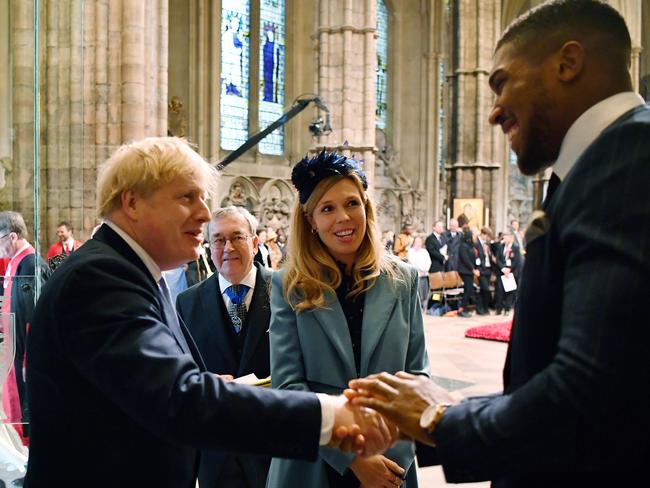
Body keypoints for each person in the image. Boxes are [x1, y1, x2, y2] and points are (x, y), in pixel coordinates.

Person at [348, 1, 650, 487]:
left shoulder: (629, 157)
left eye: (502, 82)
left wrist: (440, 422)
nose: (491, 112)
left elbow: (589, 393)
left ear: (567, 63)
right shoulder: (604, 163)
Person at [24, 137, 397, 488]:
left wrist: (213, 386)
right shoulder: (100, 277)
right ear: (132, 202)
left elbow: (149, 385)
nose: (205, 214)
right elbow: (180, 400)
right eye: (188, 197)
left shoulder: (129, 271)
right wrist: (328, 417)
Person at [266, 151, 430, 488]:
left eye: (352, 203)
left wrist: (390, 462)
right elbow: (289, 389)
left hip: (391, 461)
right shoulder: (289, 286)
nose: (344, 217)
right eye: (327, 208)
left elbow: (417, 378)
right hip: (315, 463)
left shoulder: (403, 280)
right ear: (310, 221)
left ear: (366, 209)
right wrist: (355, 460)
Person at [176, 206, 273, 488]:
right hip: (218, 456)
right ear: (208, 247)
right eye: (218, 240)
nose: (227, 247)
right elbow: (184, 372)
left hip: (274, 449)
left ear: (255, 244)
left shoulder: (286, 292)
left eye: (237, 237)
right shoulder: (187, 302)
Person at [0, 212, 50, 445]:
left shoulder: (30, 264)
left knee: (25, 407)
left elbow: (33, 318)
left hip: (23, 356)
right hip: (14, 351)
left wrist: (28, 363)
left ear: (11, 237)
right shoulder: (16, 262)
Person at [456, 228, 478, 318]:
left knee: (469, 290)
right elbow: (466, 259)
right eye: (474, 236)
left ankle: (464, 308)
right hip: (465, 271)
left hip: (469, 271)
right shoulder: (463, 246)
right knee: (468, 290)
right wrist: (473, 269)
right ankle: (461, 309)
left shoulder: (470, 245)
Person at [407, 236, 432, 311]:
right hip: (416, 274)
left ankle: (424, 306)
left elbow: (428, 261)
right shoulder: (410, 251)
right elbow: (413, 262)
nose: (418, 243)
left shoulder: (424, 251)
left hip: (424, 274)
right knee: (417, 292)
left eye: (419, 242)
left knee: (425, 291)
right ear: (414, 242)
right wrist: (421, 269)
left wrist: (425, 269)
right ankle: (417, 307)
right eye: (417, 242)